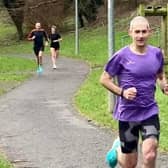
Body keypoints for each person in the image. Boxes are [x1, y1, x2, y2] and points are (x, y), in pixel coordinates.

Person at [100, 16, 168, 168]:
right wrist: (122, 92)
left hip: (149, 111)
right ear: (130, 32)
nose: (141, 35)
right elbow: (104, 79)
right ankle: (118, 150)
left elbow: (160, 75)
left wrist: (164, 85)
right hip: (128, 114)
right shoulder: (121, 56)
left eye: (144, 31)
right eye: (137, 32)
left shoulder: (157, 54)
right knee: (130, 164)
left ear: (150, 32)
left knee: (150, 153)